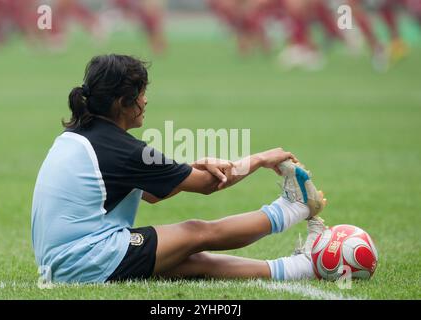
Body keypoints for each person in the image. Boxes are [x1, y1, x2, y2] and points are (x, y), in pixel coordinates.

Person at [31, 54, 327, 283]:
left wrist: (193, 166)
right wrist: (263, 158)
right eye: (142, 93)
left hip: (63, 264)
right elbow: (209, 185)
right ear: (123, 103)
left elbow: (153, 193)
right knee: (195, 232)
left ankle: (298, 268)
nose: (146, 101)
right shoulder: (122, 149)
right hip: (84, 260)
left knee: (188, 262)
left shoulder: (83, 135)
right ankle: (294, 207)